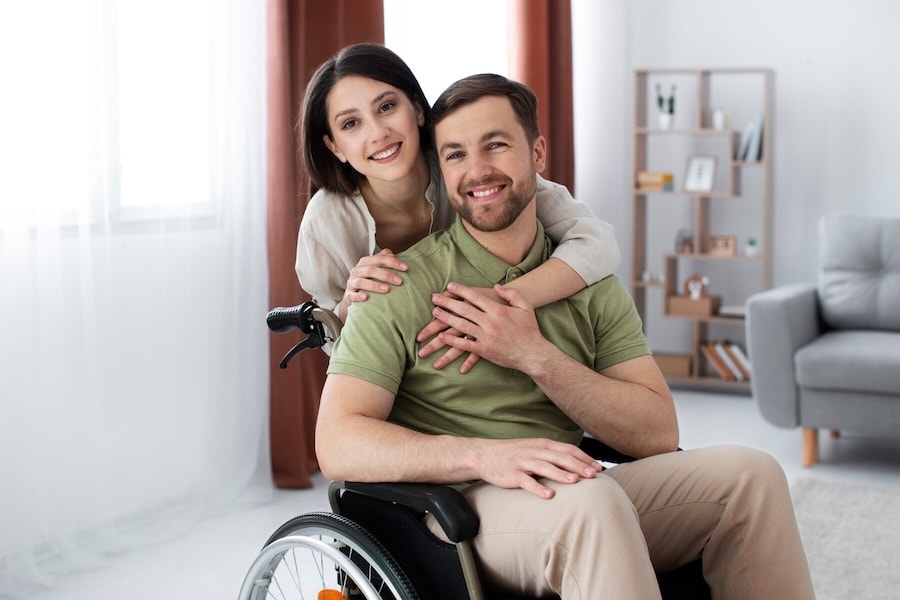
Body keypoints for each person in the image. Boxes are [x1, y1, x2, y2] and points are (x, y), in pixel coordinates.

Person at [315, 73, 815, 599]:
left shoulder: (586, 280)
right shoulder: (397, 283)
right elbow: (337, 439)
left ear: (538, 153)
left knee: (752, 477)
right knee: (593, 503)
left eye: (497, 144)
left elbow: (656, 433)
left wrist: (535, 356)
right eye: (456, 154)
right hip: (457, 510)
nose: (478, 169)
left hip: (571, 490)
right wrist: (483, 457)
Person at [295, 43, 619, 370]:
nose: (378, 132)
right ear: (334, 146)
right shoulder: (325, 223)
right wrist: (350, 307)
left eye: (387, 106)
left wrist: (499, 300)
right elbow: (333, 341)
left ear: (418, 109)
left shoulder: (468, 171)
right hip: (397, 378)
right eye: (351, 124)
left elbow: (597, 244)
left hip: (493, 364)